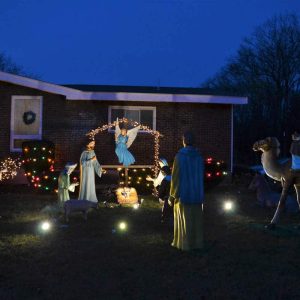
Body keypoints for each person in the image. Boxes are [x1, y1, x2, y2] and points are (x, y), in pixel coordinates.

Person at [169, 131, 204, 251]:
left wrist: (172, 195)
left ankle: (185, 244)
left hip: (183, 194)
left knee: (184, 220)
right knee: (196, 220)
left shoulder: (179, 157)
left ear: (184, 141)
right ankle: (197, 242)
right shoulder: (199, 156)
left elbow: (175, 177)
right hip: (197, 193)